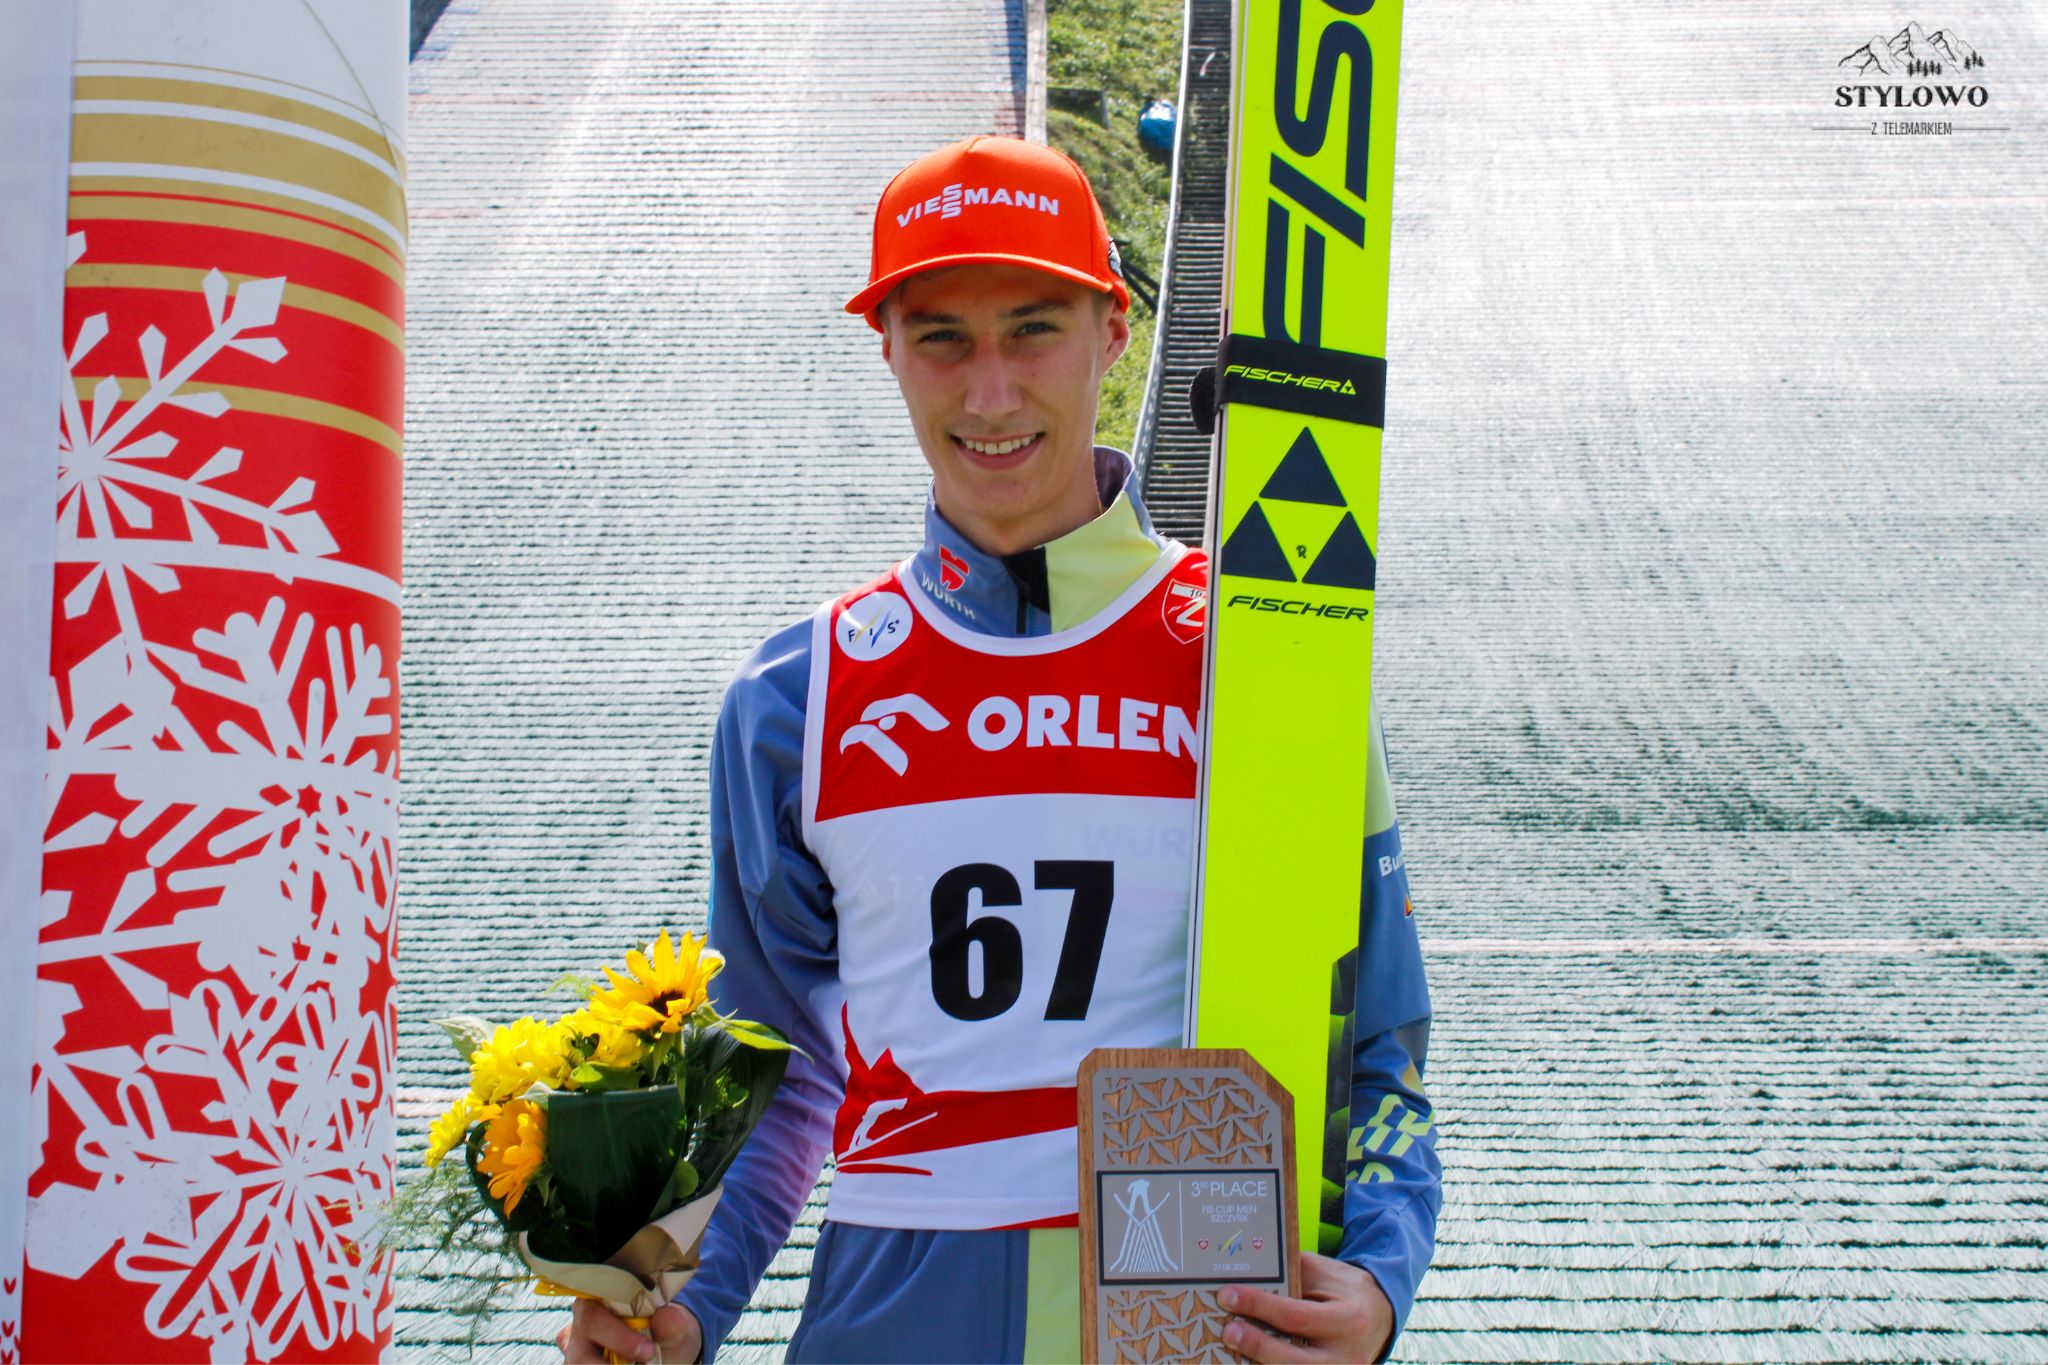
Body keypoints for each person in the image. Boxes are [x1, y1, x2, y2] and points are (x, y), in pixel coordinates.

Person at [560, 135, 1438, 1364]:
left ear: (1112, 333)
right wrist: (677, 1301)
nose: (987, 394)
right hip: (895, 1297)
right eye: (941, 339)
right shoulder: (794, 697)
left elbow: (1376, 1037)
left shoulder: (1263, 660)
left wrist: (1378, 1281)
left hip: (1190, 1280)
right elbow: (775, 1072)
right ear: (887, 351)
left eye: (1031, 330)